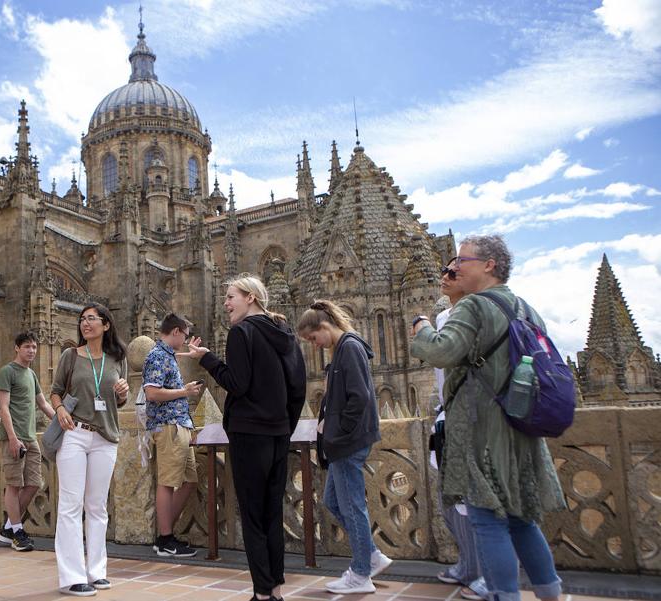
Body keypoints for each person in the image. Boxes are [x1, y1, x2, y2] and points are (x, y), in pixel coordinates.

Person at [411, 234, 565, 601]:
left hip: (482, 428)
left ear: (489, 265)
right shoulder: (525, 307)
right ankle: (551, 593)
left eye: (461, 260)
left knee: (485, 517)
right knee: (521, 517)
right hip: (522, 422)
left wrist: (421, 327)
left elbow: (442, 351)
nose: (454, 266)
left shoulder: (474, 307)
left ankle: (502, 594)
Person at [188, 274, 306, 601]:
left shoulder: (242, 332)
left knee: (253, 517)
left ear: (250, 298)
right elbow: (298, 388)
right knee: (273, 514)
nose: (226, 304)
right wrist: (283, 424)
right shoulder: (284, 332)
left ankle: (262, 594)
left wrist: (207, 359)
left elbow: (237, 384)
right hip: (279, 433)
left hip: (249, 433)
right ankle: (277, 591)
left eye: (231, 297)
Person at [296, 300, 392, 594]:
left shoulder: (349, 347)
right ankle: (371, 555)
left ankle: (361, 573)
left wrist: (337, 431)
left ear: (323, 327)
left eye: (313, 339)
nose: (315, 346)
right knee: (334, 502)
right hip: (344, 441)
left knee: (352, 506)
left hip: (348, 442)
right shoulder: (343, 349)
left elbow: (359, 398)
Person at [50, 304, 130, 597]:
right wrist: (59, 409)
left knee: (97, 507)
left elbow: (118, 399)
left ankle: (97, 571)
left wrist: (122, 395)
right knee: (70, 506)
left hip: (105, 437)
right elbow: (56, 390)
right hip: (74, 434)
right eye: (82, 319)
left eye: (92, 319)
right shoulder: (70, 355)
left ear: (106, 325)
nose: (86, 323)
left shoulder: (117, 359)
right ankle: (72, 577)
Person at [433, 261, 486, 601]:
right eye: (445, 272)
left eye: (452, 273)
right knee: (450, 500)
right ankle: (467, 564)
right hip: (445, 418)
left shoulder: (480, 315)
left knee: (479, 505)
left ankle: (488, 575)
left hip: (475, 420)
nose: (444, 277)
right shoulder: (441, 318)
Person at [142, 313, 202, 558]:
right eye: (185, 335)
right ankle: (166, 539)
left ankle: (164, 535)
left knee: (190, 481)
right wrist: (184, 391)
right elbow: (152, 394)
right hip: (168, 427)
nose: (186, 340)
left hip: (179, 426)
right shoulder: (156, 356)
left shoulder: (166, 355)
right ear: (175, 331)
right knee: (167, 483)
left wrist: (193, 353)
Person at [0, 330, 56, 552]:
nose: (31, 351)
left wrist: (62, 421)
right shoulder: (6, 372)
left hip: (31, 438)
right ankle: (18, 532)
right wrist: (12, 438)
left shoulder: (31, 375)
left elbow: (43, 404)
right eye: (27, 347)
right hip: (14, 437)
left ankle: (9, 528)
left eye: (34, 347)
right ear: (17, 348)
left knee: (33, 484)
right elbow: (3, 408)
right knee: (14, 485)